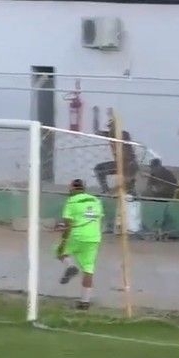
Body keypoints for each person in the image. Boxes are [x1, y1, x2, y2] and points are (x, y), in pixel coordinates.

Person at [57, 179, 104, 310]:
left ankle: (70, 266)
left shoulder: (71, 201)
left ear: (72, 188)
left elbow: (68, 225)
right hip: (94, 237)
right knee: (88, 270)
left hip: (77, 235)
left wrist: (64, 240)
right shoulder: (96, 201)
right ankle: (85, 302)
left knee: (59, 251)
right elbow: (96, 218)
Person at [91, 106, 139, 195]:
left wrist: (112, 116)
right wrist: (96, 114)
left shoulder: (124, 134)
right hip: (120, 164)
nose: (110, 129)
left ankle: (132, 194)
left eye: (112, 127)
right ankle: (106, 191)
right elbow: (96, 132)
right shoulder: (110, 134)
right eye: (109, 127)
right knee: (99, 169)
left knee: (128, 186)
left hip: (129, 164)